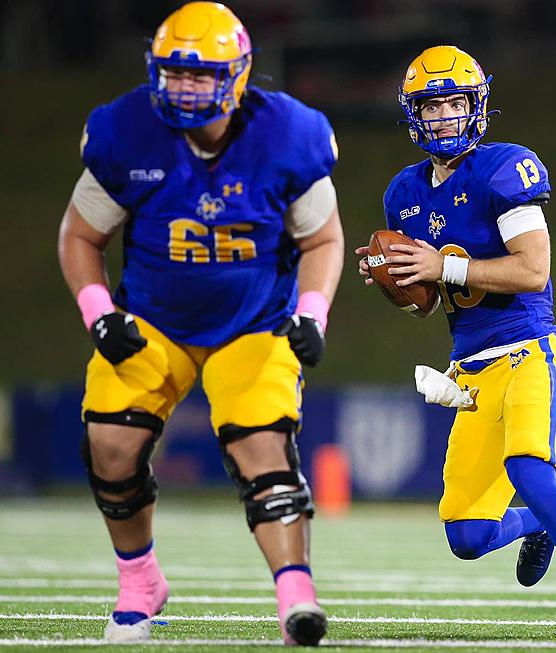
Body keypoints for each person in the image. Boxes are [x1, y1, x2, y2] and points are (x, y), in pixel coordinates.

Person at [56, 2, 344, 645]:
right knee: (109, 444)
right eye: (173, 74)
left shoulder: (288, 135)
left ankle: (296, 596)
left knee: (263, 450)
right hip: (154, 319)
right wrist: (99, 314)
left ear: (238, 75)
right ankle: (139, 582)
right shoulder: (126, 130)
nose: (184, 89)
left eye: (201, 75)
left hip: (254, 322)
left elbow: (324, 239)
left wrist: (312, 312)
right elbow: (80, 234)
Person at [355, 45, 556, 636]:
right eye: (432, 106)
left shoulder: (503, 169)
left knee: (531, 469)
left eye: (454, 103)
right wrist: (394, 280)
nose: (443, 117)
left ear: (477, 105)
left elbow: (532, 270)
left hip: (531, 352)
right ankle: (537, 524)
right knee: (467, 535)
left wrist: (443, 268)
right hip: (470, 371)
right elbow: (425, 302)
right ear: (413, 114)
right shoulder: (404, 193)